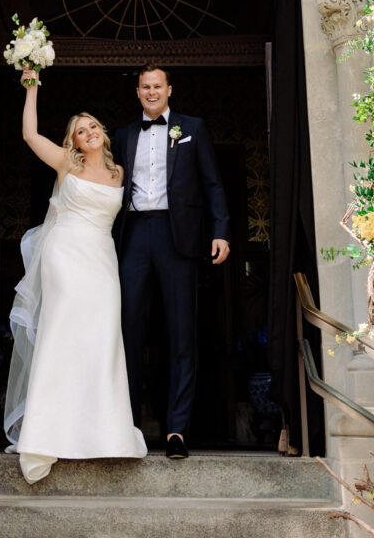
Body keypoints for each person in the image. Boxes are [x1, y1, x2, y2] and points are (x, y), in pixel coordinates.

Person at [4, 67, 146, 484]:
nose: (89, 134)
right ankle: (46, 435)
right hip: (65, 253)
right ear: (75, 141)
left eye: (93, 127)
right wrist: (31, 88)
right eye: (81, 131)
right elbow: (30, 136)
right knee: (63, 333)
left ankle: (105, 434)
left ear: (103, 132)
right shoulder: (68, 162)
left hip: (102, 257)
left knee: (102, 338)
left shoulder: (121, 173)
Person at [113, 63, 230, 460]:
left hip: (178, 238)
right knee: (128, 332)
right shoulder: (122, 135)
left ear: (169, 90)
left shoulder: (192, 127)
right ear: (137, 92)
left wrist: (221, 230)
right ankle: (125, 428)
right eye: (144, 87)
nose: (150, 92)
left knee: (182, 335)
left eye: (157, 86)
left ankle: (177, 430)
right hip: (134, 237)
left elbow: (213, 182)